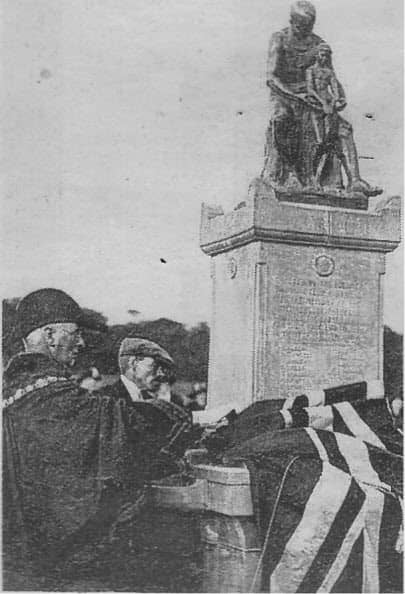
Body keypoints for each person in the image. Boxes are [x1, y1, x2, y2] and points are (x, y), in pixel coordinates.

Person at [2, 288, 193, 591]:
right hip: (51, 564)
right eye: (75, 334)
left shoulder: (18, 386)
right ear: (50, 335)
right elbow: (112, 418)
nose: (81, 343)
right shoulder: (49, 395)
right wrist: (174, 413)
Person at [262, 0, 381, 196]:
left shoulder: (318, 44)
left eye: (309, 26)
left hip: (314, 97)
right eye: (302, 26)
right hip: (285, 95)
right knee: (282, 119)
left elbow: (331, 76)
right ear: (292, 21)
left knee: (343, 128)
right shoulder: (279, 39)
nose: (306, 30)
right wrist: (297, 96)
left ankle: (355, 180)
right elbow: (272, 78)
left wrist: (339, 98)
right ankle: (290, 175)